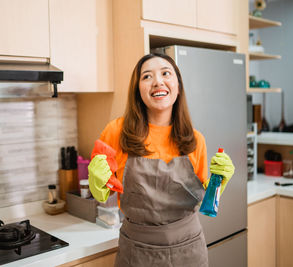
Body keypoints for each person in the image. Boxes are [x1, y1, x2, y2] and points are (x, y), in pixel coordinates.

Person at [88, 53, 235, 267]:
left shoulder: (195, 140)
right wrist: (96, 182)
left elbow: (207, 200)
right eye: (147, 76)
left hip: (189, 251)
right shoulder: (116, 132)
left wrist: (221, 181)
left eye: (166, 73)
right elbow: (102, 192)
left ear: (177, 85)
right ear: (138, 89)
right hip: (136, 252)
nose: (158, 81)